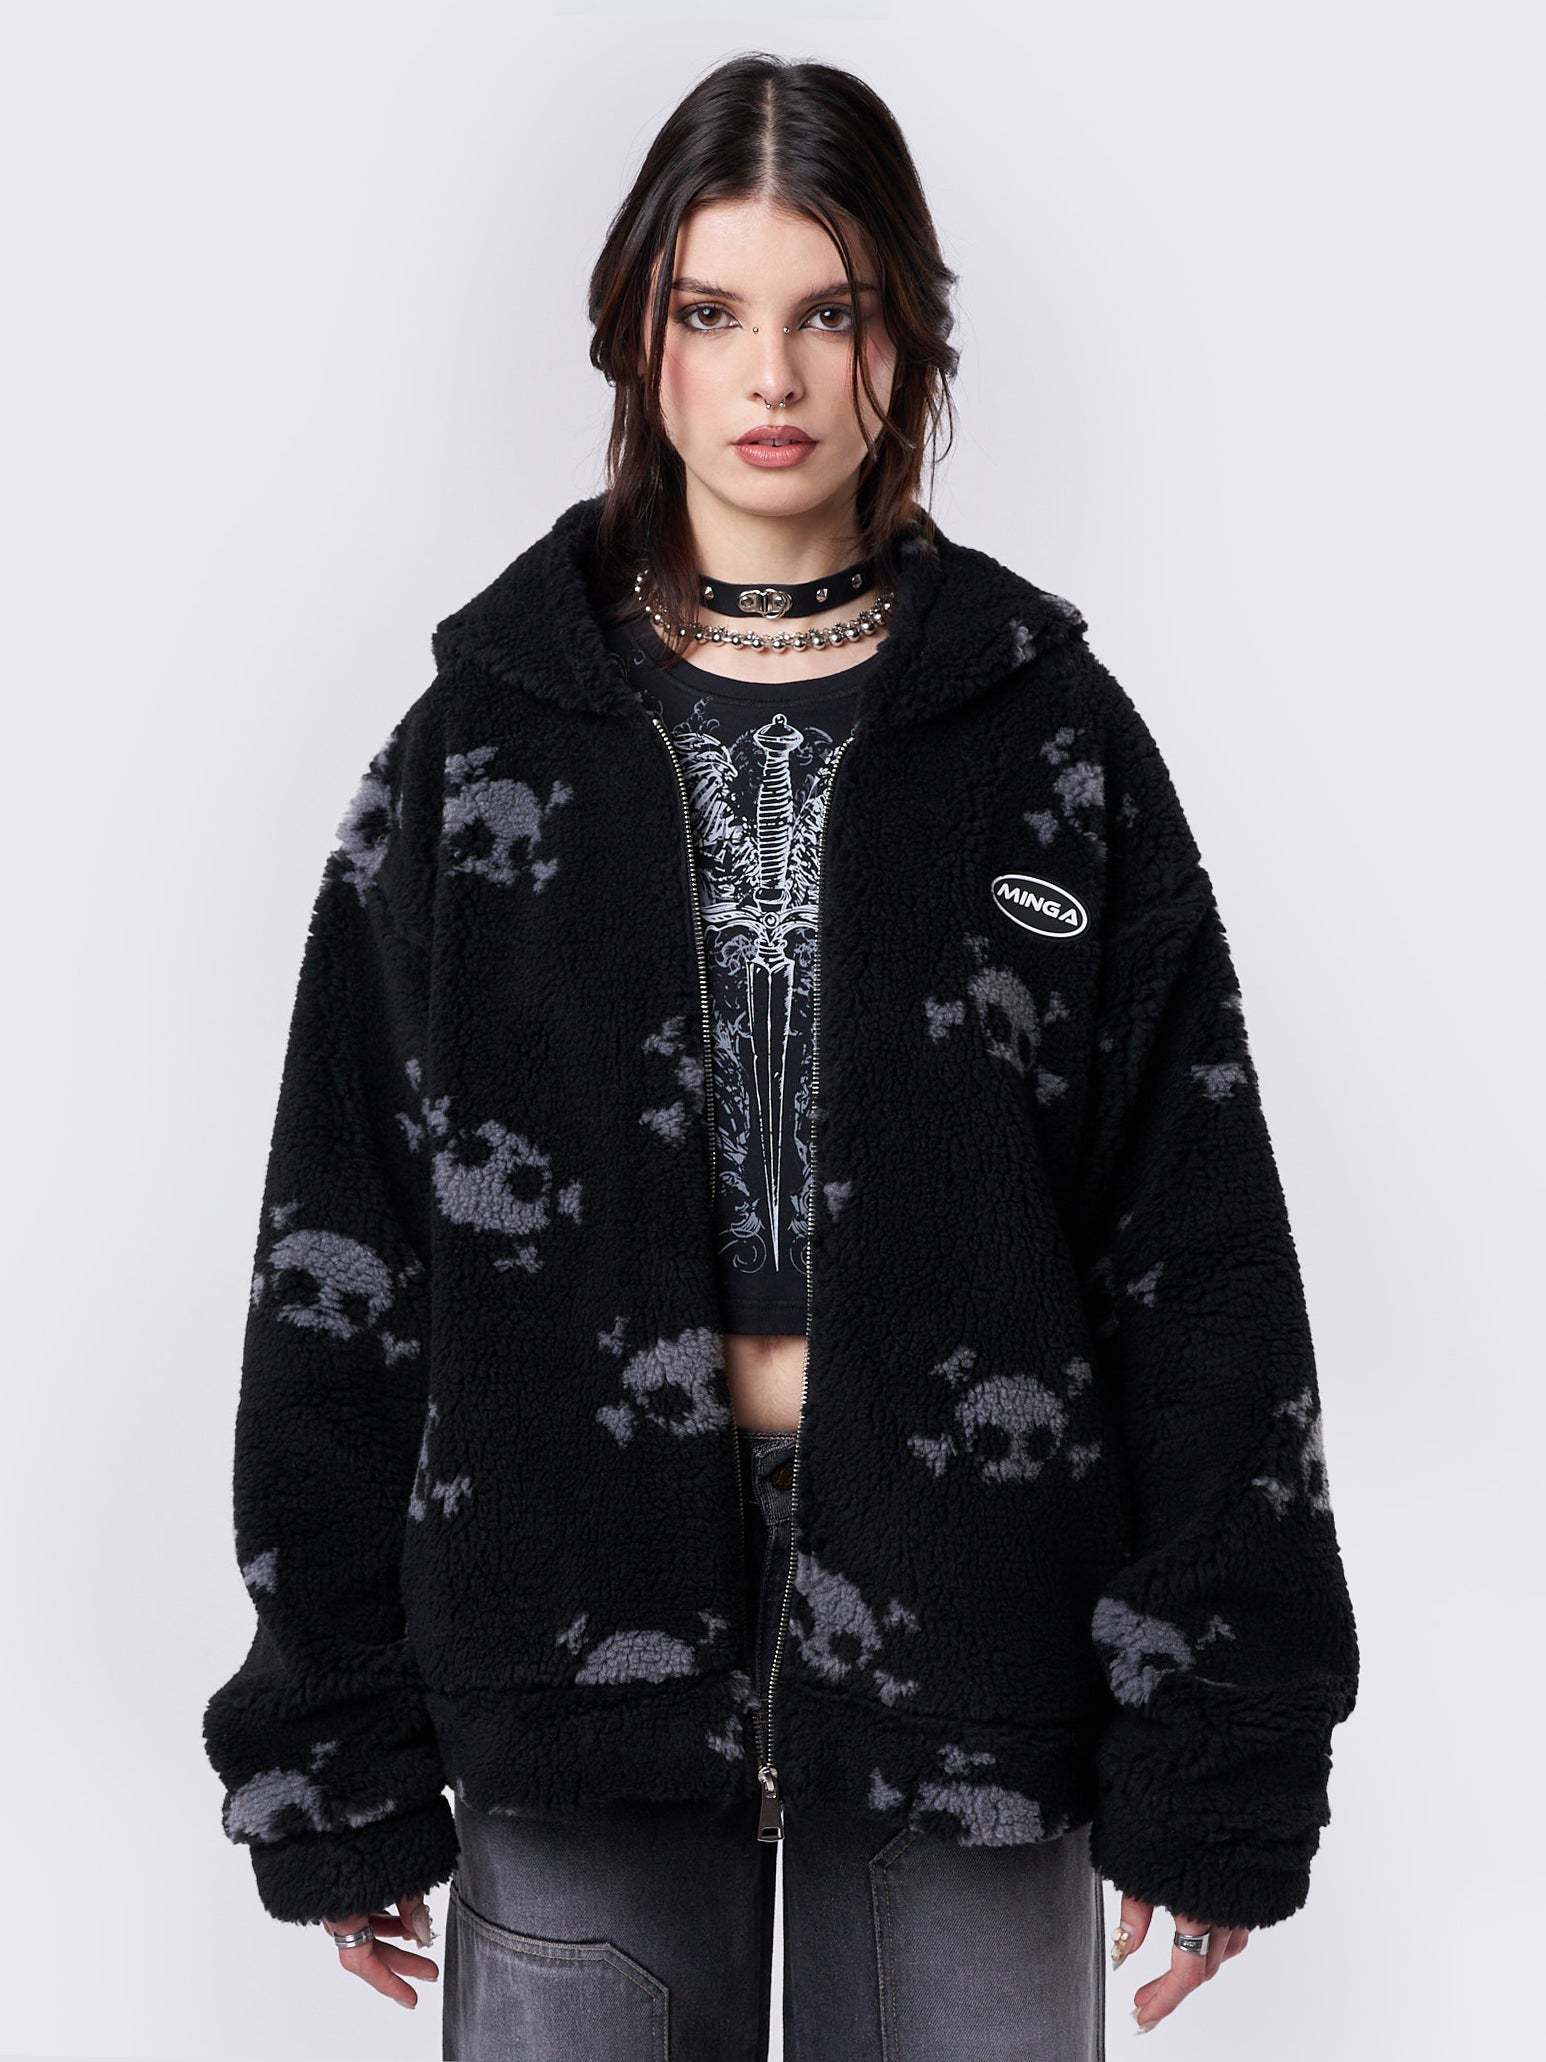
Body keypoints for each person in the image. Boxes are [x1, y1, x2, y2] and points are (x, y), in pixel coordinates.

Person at [201, 52, 1359, 2059]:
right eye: (710, 310)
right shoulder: (487, 737)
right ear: (632, 336)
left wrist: (1221, 1745)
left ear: (904, 341)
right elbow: (344, 1243)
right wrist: (329, 1738)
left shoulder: (1043, 737)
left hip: (971, 1661)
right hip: (569, 1649)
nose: (772, 375)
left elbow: (1195, 1253)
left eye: (830, 311)